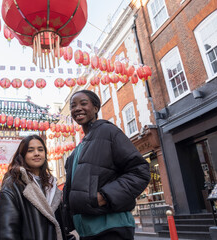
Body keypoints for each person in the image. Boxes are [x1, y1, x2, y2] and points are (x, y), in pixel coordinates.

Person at [62, 90, 151, 240]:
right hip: (86, 232)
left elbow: (140, 171)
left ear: (96, 108)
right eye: (73, 106)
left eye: (83, 103)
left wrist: (104, 196)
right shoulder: (77, 150)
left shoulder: (108, 131)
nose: (77, 108)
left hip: (111, 228)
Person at [0, 135, 74, 240]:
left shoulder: (51, 186)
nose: (37, 153)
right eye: (30, 150)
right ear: (22, 155)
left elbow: (61, 227)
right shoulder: (12, 187)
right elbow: (6, 233)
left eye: (40, 149)